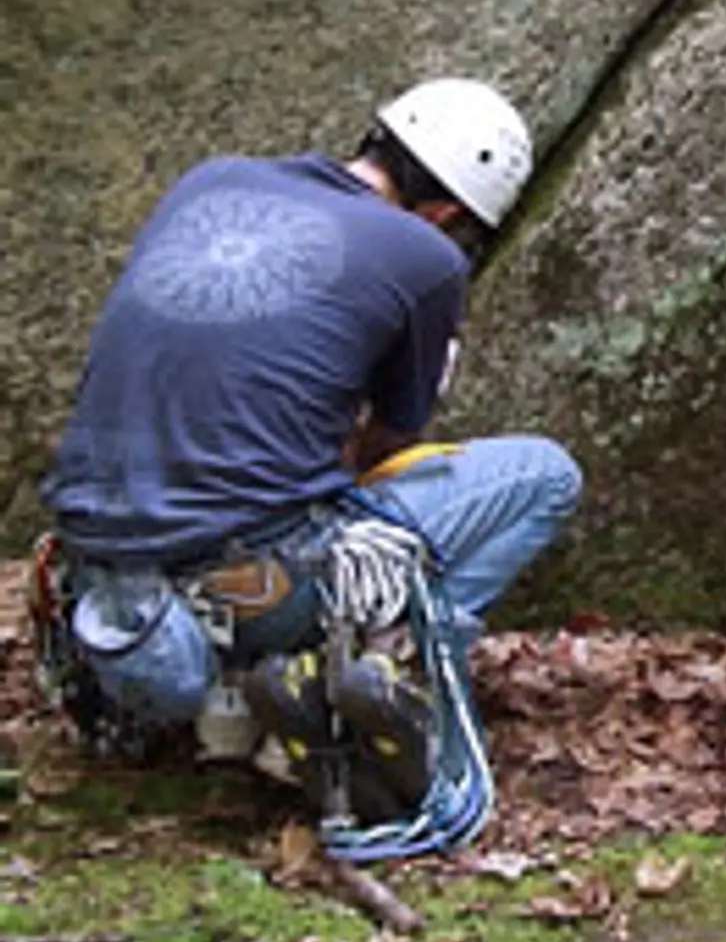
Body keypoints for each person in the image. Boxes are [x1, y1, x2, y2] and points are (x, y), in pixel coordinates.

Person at [38, 78, 582, 821]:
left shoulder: (212, 180)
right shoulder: (427, 257)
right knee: (542, 475)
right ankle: (387, 686)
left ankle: (241, 697)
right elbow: (391, 442)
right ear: (450, 212)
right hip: (251, 583)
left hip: (96, 571)